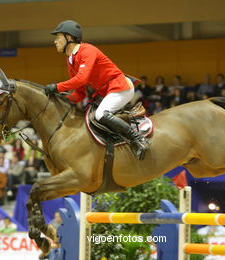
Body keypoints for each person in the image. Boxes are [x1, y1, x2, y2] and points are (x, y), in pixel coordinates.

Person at [44, 20, 149, 160]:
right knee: (89, 116)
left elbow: (82, 78)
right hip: (107, 92)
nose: (55, 42)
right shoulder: (71, 60)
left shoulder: (87, 50)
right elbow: (80, 93)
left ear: (68, 38)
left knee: (100, 114)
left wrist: (57, 87)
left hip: (120, 87)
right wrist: (62, 99)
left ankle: (138, 139)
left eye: (57, 37)